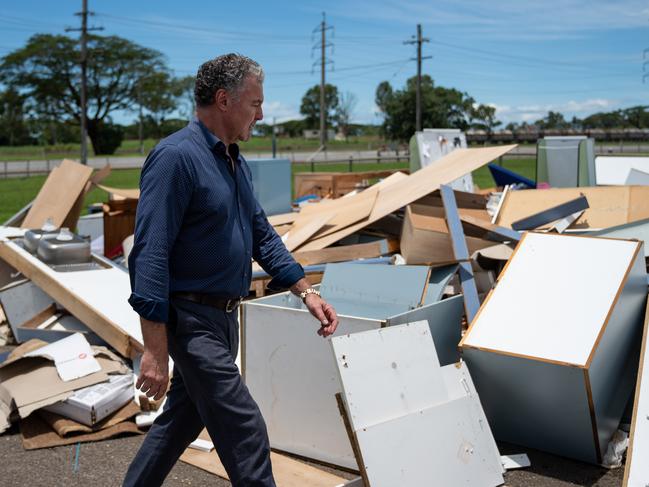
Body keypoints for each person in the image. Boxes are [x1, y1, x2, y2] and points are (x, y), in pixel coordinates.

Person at [123, 53, 339, 487]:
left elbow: (260, 233)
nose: (261, 114)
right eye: (255, 103)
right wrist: (153, 348)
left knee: (179, 422)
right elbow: (150, 253)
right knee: (245, 429)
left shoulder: (231, 159)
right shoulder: (175, 159)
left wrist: (305, 290)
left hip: (222, 320)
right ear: (224, 100)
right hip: (191, 322)